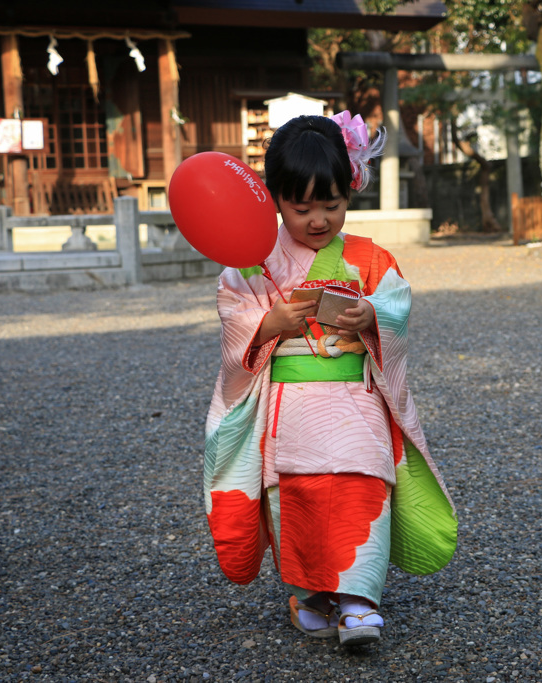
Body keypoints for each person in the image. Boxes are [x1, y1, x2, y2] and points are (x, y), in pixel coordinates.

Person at [200, 111, 457, 647]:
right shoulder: (251, 263)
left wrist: (373, 319)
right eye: (301, 207)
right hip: (290, 408)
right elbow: (234, 317)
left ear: (350, 192)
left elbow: (396, 307)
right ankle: (311, 595)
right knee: (298, 495)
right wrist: (270, 323)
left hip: (355, 403)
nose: (318, 219)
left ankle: (361, 601)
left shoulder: (370, 257)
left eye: (332, 205)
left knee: (362, 486)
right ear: (273, 199)